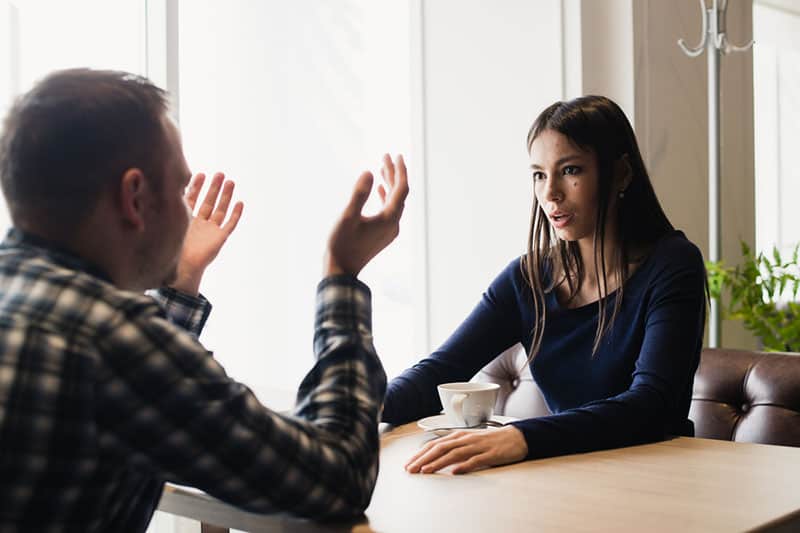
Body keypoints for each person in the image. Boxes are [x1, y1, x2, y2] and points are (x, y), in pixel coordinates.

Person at [0, 68, 408, 530]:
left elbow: (128, 394)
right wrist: (342, 273)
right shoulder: (111, 340)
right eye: (179, 188)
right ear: (134, 196)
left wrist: (182, 280)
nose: (187, 210)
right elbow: (337, 475)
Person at [382, 95, 706, 475]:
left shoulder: (672, 264)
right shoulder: (528, 279)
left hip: (658, 476)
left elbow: (652, 405)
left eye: (570, 170)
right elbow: (438, 372)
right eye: (539, 174)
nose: (550, 192)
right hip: (567, 473)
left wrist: (521, 438)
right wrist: (350, 406)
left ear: (621, 174)